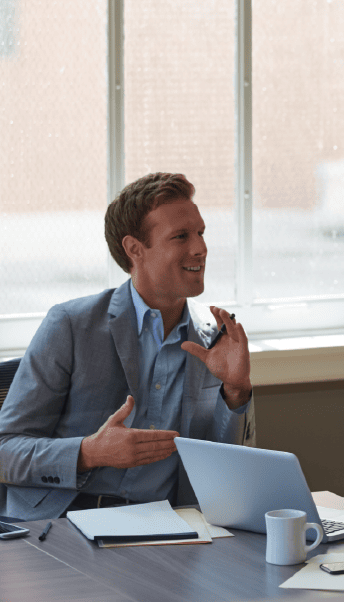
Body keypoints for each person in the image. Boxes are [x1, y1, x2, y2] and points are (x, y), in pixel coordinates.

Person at [0, 172, 255, 521]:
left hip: (171, 525)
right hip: (65, 522)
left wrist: (236, 393)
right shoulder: (70, 325)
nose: (200, 248)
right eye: (181, 236)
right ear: (135, 249)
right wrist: (89, 452)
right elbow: (6, 450)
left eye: (200, 233)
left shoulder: (214, 338)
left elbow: (231, 471)